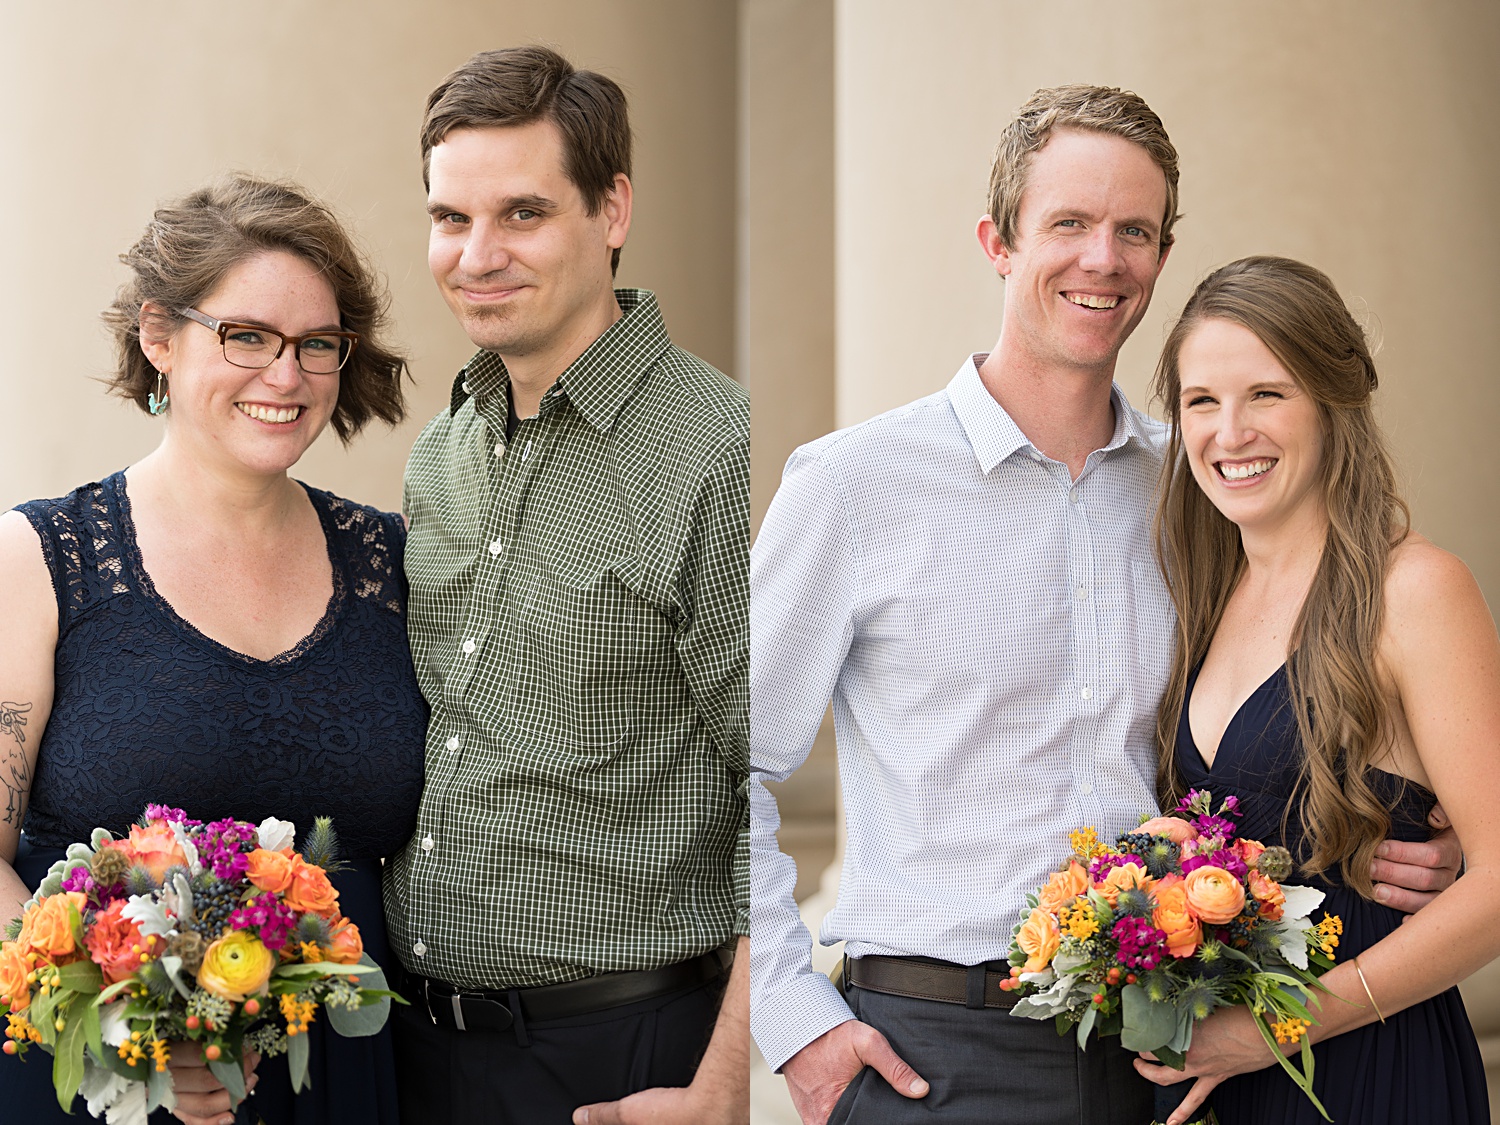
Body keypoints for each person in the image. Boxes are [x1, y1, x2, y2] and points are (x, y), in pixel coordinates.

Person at [749, 86, 1462, 1125]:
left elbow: (1287, 718)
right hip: (940, 1050)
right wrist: (793, 1020)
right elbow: (716, 765)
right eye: (1070, 224)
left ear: (1162, 257)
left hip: (1174, 1048)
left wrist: (1396, 835)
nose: (1104, 259)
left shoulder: (1204, 487)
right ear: (998, 241)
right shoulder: (854, 485)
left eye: (1135, 231)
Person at [0, 175, 427, 1125]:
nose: (287, 376)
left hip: (342, 1083)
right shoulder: (44, 559)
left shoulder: (393, 564)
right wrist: (128, 1023)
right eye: (247, 336)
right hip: (109, 1079)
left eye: (318, 344)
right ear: (158, 336)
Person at [380, 47, 749, 1125]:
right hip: (422, 1050)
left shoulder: (718, 449)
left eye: (523, 214)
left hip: (625, 1057)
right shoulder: (440, 453)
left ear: (612, 209)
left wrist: (723, 1086)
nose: (477, 256)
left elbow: (764, 791)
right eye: (452, 218)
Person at [1132, 255, 1498, 1124]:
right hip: (1222, 1083)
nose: (1231, 432)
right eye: (1202, 401)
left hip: (1371, 1070)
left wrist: (1275, 1026)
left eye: (1267, 393)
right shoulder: (1203, 600)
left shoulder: (1413, 591)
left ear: (1333, 402)